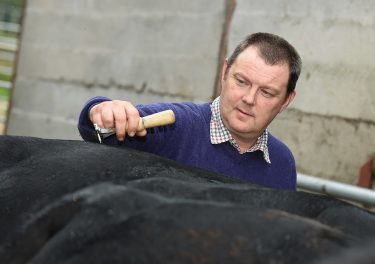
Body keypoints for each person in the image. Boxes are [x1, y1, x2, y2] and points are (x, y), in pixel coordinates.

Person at [78, 32, 302, 190]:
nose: (248, 99)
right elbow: (97, 131)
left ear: (286, 101)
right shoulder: (174, 126)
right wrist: (100, 109)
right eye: (241, 81)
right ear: (225, 72)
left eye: (266, 93)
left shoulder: (283, 163)